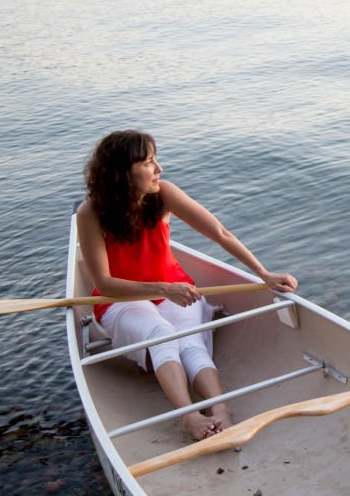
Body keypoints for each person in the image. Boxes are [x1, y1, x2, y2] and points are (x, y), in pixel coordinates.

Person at [76, 130, 297, 440]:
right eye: (149, 162)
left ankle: (221, 408)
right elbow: (104, 282)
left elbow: (219, 232)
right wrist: (163, 290)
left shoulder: (163, 193)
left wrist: (263, 274)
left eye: (156, 160)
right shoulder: (91, 213)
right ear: (122, 173)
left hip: (173, 288)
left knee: (190, 342)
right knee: (162, 333)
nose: (159, 168)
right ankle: (189, 416)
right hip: (121, 298)